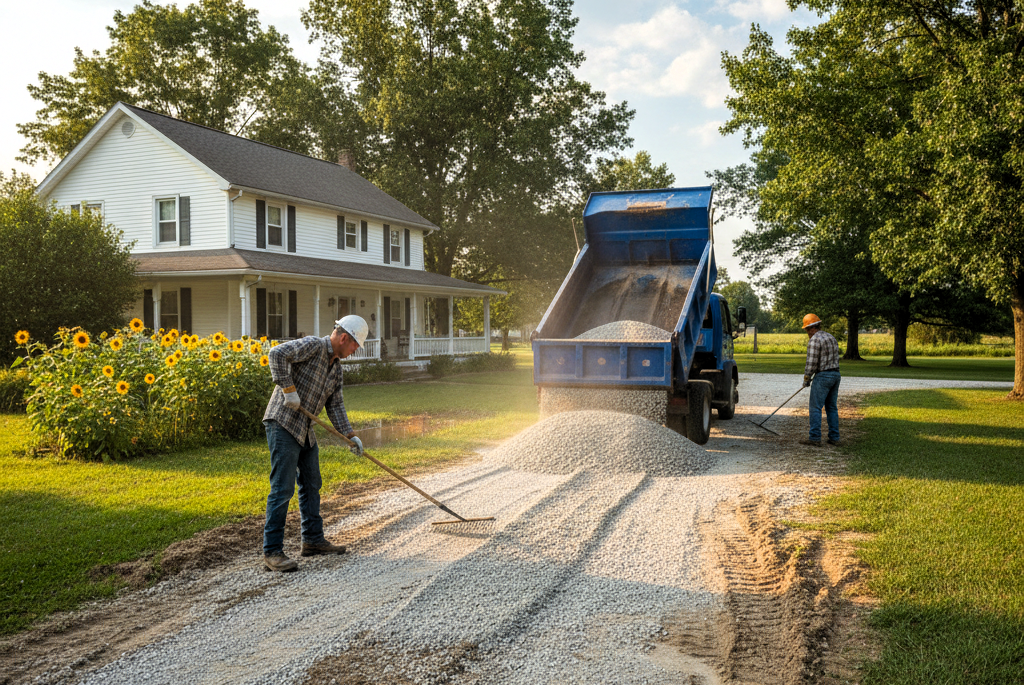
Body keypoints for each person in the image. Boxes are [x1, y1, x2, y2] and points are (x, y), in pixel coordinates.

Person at [261, 315, 369, 572]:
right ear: (344, 338)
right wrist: (288, 389)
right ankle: (272, 551)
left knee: (311, 483)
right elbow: (276, 354)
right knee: (282, 488)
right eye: (355, 346)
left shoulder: (336, 369)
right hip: (283, 422)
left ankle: (312, 540)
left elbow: (336, 405)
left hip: (305, 429)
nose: (354, 352)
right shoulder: (312, 346)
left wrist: (350, 435)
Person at [800, 313, 841, 447]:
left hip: (823, 376)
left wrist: (806, 379)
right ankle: (834, 437)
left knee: (815, 407)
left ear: (810, 328)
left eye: (806, 329)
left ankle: (815, 438)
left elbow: (811, 363)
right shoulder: (831, 337)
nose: (806, 332)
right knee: (832, 408)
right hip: (836, 375)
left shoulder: (814, 340)